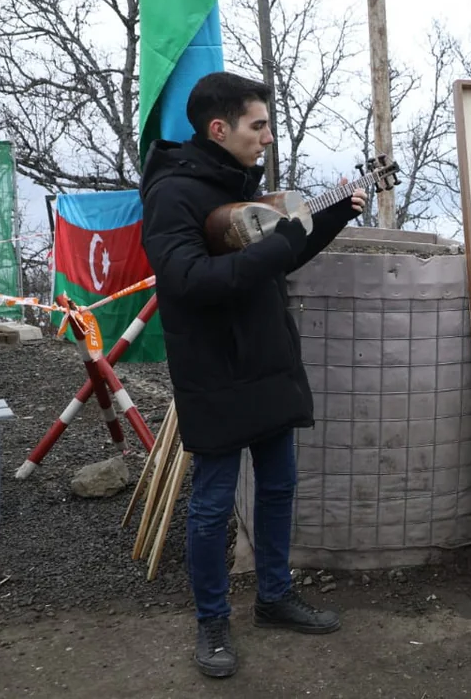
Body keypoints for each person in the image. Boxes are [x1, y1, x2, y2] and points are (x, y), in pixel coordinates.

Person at [140, 71, 364, 678]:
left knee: (279, 484)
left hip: (265, 355)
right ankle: (212, 621)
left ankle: (274, 597)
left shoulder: (239, 185)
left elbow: (275, 256)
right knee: (213, 503)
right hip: (215, 367)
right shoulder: (173, 195)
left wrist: (332, 217)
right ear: (219, 128)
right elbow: (189, 281)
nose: (267, 137)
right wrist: (280, 242)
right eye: (257, 125)